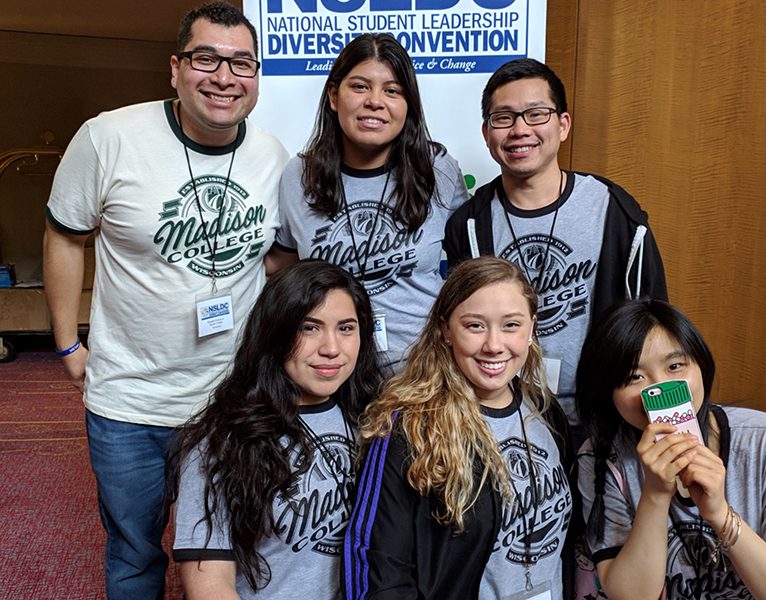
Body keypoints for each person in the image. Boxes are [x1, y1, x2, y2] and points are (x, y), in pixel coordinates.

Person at [41, 3, 289, 597]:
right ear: (175, 68)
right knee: (134, 552)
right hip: (130, 399)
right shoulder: (109, 137)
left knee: (239, 546)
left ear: (256, 76)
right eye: (207, 59)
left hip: (233, 397)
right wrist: (66, 340)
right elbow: (64, 236)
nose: (224, 77)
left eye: (242, 63)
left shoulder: (273, 157)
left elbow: (277, 258)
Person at [444, 58, 668, 430]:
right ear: (486, 133)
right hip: (501, 421)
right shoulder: (468, 224)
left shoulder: (613, 210)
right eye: (504, 118)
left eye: (536, 114)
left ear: (563, 125)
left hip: (602, 420)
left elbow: (654, 326)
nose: (520, 130)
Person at [575, 299, 766, 599]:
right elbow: (632, 596)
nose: (660, 388)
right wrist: (655, 494)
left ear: (702, 366)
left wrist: (719, 514)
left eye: (675, 366)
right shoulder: (602, 458)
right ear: (607, 391)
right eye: (634, 377)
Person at [345, 256, 574, 600]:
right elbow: (380, 570)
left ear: (532, 328)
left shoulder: (543, 408)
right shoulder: (409, 428)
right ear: (445, 330)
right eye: (475, 326)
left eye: (511, 325)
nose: (494, 345)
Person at [170, 259, 383, 599]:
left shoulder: (378, 420)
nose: (330, 348)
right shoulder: (221, 441)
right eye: (308, 328)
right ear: (275, 333)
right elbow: (210, 585)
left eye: (346, 328)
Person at [266, 33, 469, 374]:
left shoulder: (437, 168)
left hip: (423, 375)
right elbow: (282, 265)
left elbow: (469, 272)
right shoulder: (299, 175)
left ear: (409, 104)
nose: (375, 101)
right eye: (360, 87)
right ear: (334, 95)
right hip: (330, 374)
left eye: (392, 91)